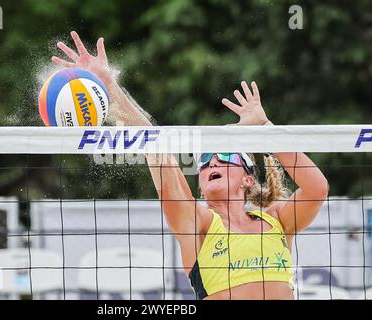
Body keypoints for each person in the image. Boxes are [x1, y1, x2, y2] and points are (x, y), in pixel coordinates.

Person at [52, 32, 329, 300]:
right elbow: (155, 147)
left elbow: (317, 188)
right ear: (200, 185)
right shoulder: (198, 223)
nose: (212, 162)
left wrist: (265, 129)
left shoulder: (277, 220)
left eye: (225, 157)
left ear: (248, 179)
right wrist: (109, 87)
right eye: (205, 161)